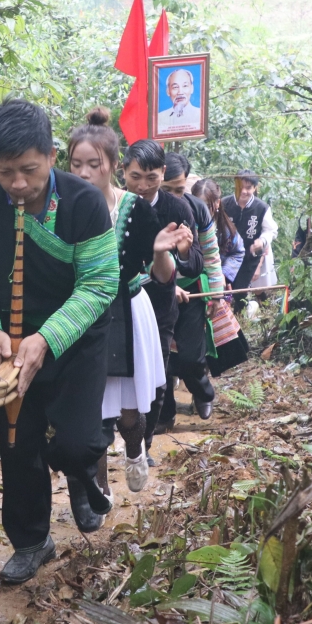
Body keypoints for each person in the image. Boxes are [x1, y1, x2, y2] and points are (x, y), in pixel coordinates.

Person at [0, 99, 119, 583]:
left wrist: (47, 339)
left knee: (78, 442)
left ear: (52, 154)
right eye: (5, 172)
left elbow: (100, 285)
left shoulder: (85, 203)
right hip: (9, 339)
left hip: (75, 334)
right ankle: (31, 540)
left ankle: (82, 473)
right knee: (18, 443)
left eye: (29, 170)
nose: (18, 184)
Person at [66, 108, 191, 522]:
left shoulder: (136, 210)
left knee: (128, 411)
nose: (83, 173)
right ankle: (98, 489)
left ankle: (135, 448)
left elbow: (163, 275)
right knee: (91, 407)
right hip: (81, 315)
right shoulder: (59, 207)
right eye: (76, 164)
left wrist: (159, 253)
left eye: (93, 164)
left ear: (111, 166)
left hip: (128, 312)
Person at [121, 142, 201, 466]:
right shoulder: (115, 205)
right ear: (122, 170)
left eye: (151, 178)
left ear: (162, 174)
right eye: (135, 177)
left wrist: (182, 250)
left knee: (157, 374)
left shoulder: (178, 209)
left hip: (160, 303)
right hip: (120, 300)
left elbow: (194, 264)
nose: (142, 186)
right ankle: (122, 434)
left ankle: (144, 441)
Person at [158, 153, 224, 422]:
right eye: (167, 189)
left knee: (191, 357)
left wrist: (216, 294)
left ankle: (203, 392)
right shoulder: (143, 207)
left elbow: (210, 253)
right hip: (156, 292)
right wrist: (165, 285)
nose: (174, 196)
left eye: (179, 189)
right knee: (159, 357)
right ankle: (164, 413)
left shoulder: (197, 209)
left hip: (193, 292)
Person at [191, 179, 251, 376]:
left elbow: (238, 252)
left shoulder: (225, 228)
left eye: (205, 205)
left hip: (214, 290)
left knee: (214, 337)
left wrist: (224, 275)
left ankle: (203, 381)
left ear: (216, 204)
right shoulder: (186, 220)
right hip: (191, 287)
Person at [222, 170, 278, 311]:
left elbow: (271, 230)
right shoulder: (224, 204)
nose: (244, 191)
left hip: (249, 256)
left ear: (255, 188)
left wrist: (262, 241)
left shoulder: (261, 208)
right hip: (228, 255)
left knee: (240, 290)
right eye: (240, 187)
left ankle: (239, 319)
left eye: (248, 188)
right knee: (225, 286)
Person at [156, 69, 203, 135]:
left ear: (192, 89)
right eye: (175, 87)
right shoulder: (160, 117)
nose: (180, 92)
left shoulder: (200, 115)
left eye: (185, 86)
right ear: (168, 91)